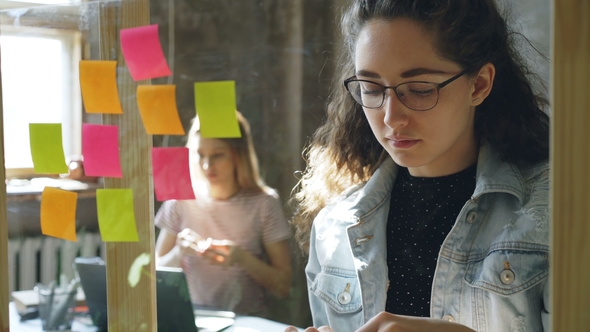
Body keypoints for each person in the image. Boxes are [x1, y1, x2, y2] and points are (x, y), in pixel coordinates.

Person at [287, 0, 550, 331]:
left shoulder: (557, 212)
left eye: (421, 90)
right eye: (371, 89)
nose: (391, 117)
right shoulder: (333, 228)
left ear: (479, 84)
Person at [155, 111, 292, 317]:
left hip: (247, 322)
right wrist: (178, 252)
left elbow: (283, 286)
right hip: (192, 319)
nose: (207, 166)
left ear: (238, 155)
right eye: (200, 155)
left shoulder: (264, 203)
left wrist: (242, 258)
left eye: (218, 155)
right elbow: (153, 275)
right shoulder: (180, 200)